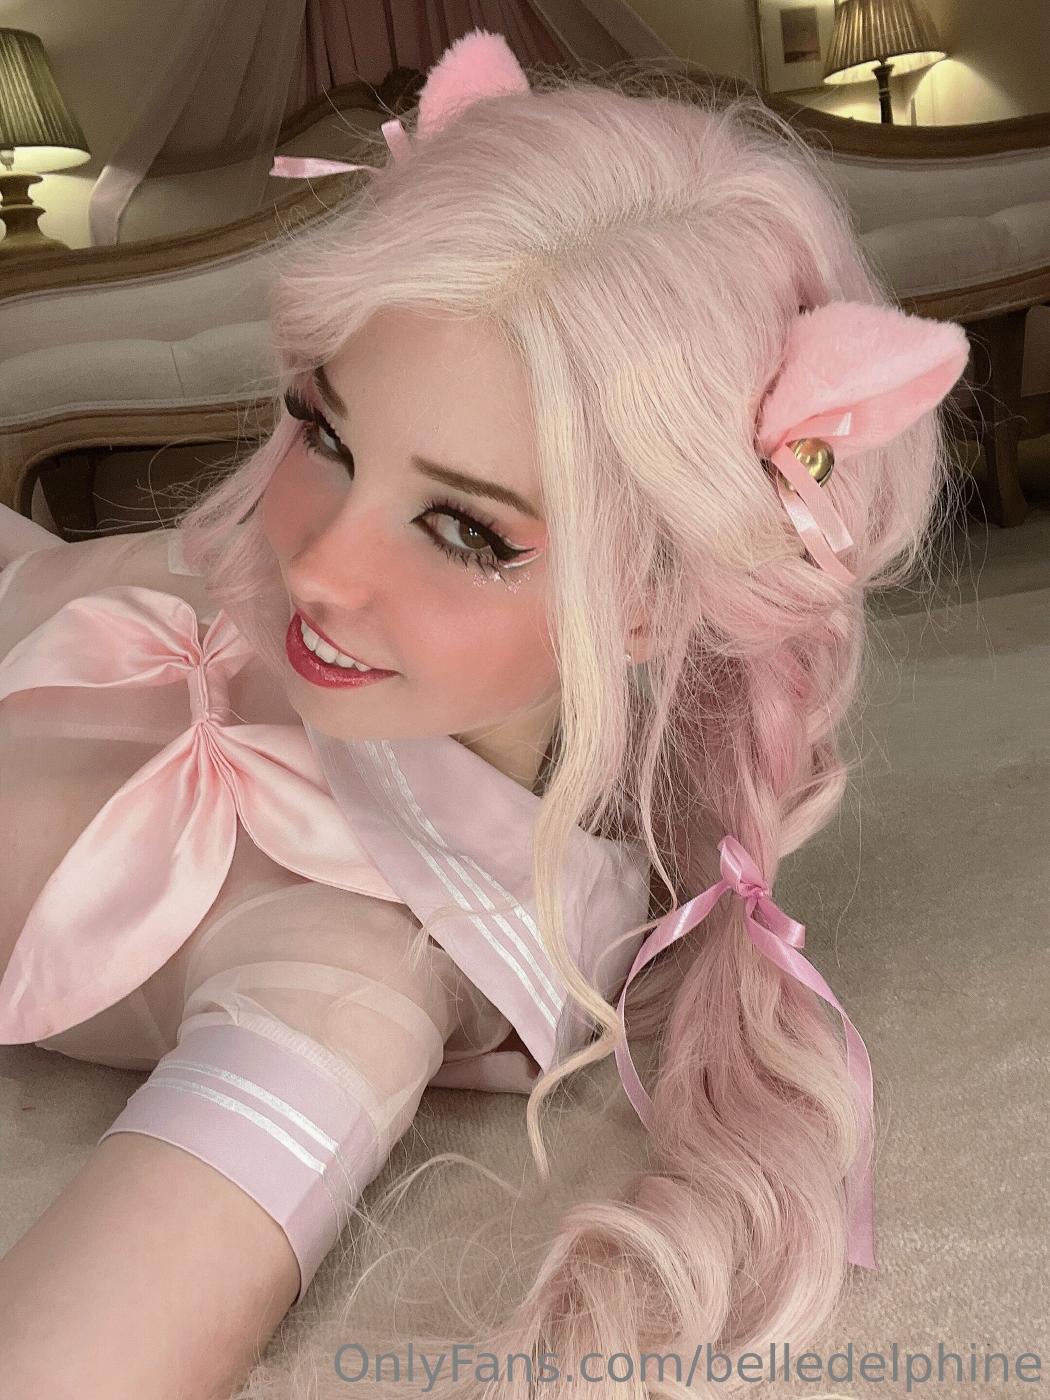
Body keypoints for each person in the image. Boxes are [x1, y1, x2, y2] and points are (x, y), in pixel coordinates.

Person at [0, 28, 970, 1400]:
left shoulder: (349, 974)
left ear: (655, 601)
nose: (318, 568)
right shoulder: (338, 634)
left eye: (465, 529)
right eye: (326, 434)